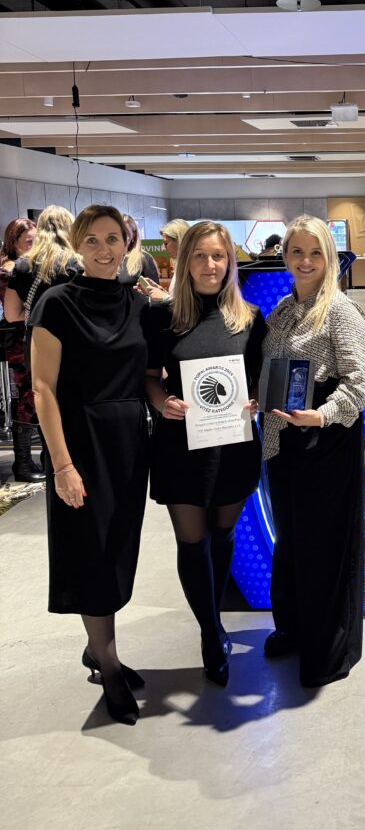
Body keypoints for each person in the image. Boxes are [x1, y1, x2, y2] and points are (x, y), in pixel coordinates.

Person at [30, 205, 152, 726]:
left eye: (113, 239)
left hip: (130, 446)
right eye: (93, 240)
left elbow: (148, 373)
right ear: (77, 245)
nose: (104, 250)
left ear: (127, 243)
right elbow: (43, 388)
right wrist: (62, 465)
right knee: (92, 556)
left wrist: (165, 400)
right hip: (81, 444)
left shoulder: (137, 301)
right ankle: (108, 663)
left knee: (118, 552)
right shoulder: (56, 303)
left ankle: (97, 647)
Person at [144, 222, 266, 687]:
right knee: (192, 542)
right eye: (200, 256)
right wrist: (161, 403)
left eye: (218, 256)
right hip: (181, 447)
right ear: (185, 261)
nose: (210, 265)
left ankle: (212, 619)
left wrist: (257, 399)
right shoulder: (162, 317)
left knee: (223, 535)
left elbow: (261, 378)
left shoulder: (249, 318)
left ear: (230, 261)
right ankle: (211, 634)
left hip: (234, 444)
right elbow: (148, 377)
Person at [262, 214, 365, 688]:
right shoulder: (282, 309)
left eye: (315, 253)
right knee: (291, 540)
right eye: (297, 252)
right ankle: (293, 627)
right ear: (285, 256)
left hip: (325, 442)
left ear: (329, 258)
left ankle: (328, 648)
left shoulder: (341, 311)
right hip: (282, 442)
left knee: (325, 547)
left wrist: (322, 416)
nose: (305, 261)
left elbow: (360, 381)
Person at [4, 207, 80, 483]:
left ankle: (52, 465)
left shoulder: (23, 266)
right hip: (76, 346)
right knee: (75, 408)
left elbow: (11, 314)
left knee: (43, 402)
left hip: (36, 345)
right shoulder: (78, 263)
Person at [0, 219, 36, 456]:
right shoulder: (10, 270)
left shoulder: (24, 267)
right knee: (26, 397)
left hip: (25, 338)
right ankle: (23, 461)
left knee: (30, 395)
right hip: (19, 342)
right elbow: (13, 312)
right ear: (14, 243)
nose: (35, 246)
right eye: (29, 241)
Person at [142, 218, 189, 302]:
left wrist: (165, 297)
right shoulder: (181, 266)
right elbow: (177, 298)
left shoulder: (192, 268)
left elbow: (189, 304)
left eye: (166, 243)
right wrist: (159, 291)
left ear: (179, 241)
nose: (163, 248)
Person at [118, 214, 160, 289]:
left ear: (133, 234)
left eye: (125, 231)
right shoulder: (107, 258)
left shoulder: (144, 258)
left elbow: (155, 292)